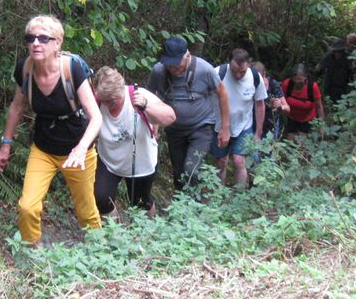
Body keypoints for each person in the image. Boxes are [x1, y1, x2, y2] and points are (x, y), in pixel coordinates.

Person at [0, 15, 102, 244]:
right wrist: (6, 145)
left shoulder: (72, 69)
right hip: (43, 148)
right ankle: (32, 257)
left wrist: (82, 149)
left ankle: (98, 257)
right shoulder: (24, 69)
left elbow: (96, 117)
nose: (36, 43)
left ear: (58, 42)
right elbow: (16, 107)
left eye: (43, 38)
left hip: (77, 149)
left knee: (86, 212)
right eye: (30, 38)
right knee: (27, 207)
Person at [91, 66, 176, 218]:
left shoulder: (138, 95)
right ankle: (116, 235)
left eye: (112, 101)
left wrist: (146, 107)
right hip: (109, 161)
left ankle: (148, 233)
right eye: (104, 101)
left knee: (141, 204)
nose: (108, 104)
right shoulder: (97, 101)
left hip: (141, 164)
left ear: (121, 90)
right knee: (101, 198)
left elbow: (170, 117)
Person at [147, 37, 230, 190]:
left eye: (176, 63)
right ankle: (182, 210)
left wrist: (225, 128)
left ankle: (195, 209)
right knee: (179, 174)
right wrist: (153, 125)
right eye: (169, 64)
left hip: (201, 127)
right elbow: (149, 98)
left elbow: (222, 94)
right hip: (174, 129)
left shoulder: (204, 70)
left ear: (187, 55)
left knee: (191, 171)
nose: (172, 68)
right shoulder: (159, 71)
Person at [211, 49, 267, 189]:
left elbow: (260, 104)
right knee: (221, 161)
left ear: (248, 64)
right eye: (234, 70)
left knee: (239, 161)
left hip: (243, 125)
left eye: (241, 72)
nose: (237, 75)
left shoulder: (255, 76)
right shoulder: (218, 73)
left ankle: (240, 196)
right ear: (229, 63)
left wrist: (258, 132)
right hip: (218, 125)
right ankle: (218, 196)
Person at [281, 63, 324, 140]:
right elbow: (281, 100)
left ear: (305, 78)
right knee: (290, 141)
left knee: (301, 144)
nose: (297, 83)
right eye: (295, 81)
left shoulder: (312, 87)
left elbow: (319, 106)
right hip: (291, 117)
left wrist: (321, 125)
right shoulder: (287, 84)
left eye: (300, 81)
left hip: (307, 118)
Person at [317, 33, 356, 103]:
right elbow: (318, 69)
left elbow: (355, 72)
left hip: (343, 88)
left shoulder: (348, 57)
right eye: (335, 51)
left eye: (339, 51)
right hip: (329, 87)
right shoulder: (329, 56)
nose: (337, 53)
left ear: (342, 50)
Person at [252, 61, 289, 142]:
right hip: (252, 124)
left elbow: (287, 108)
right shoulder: (248, 84)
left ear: (264, 75)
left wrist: (280, 106)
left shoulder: (273, 84)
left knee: (268, 152)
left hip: (271, 125)